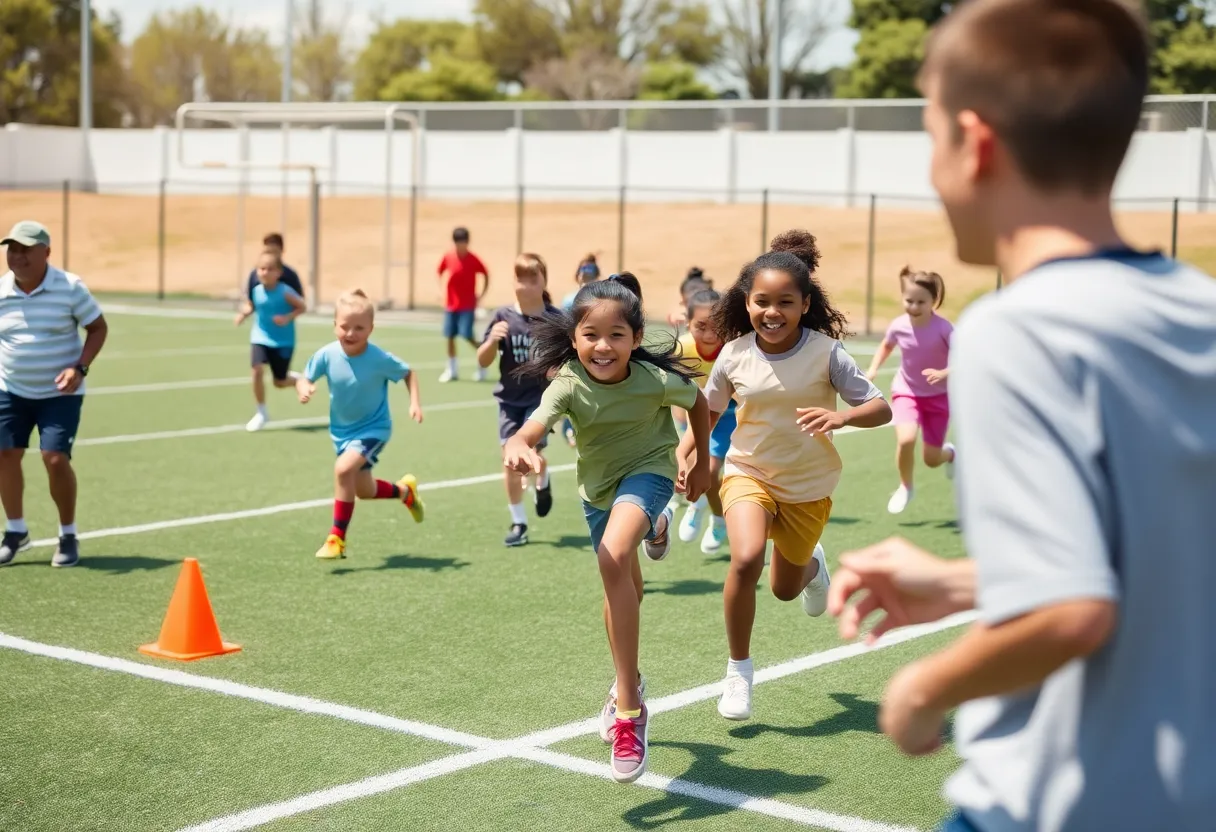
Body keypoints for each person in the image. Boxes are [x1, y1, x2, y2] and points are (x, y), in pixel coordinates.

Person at [826, 2, 1216, 831]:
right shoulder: (1199, 312)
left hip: (1057, 806)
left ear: (975, 143)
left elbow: (1071, 612)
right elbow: (1168, 558)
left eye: (930, 142)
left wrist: (918, 693)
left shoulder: (1017, 329)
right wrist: (970, 581)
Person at [504, 273, 711, 784]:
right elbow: (534, 425)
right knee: (625, 589)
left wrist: (702, 460)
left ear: (636, 340)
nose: (603, 345)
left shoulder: (653, 378)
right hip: (598, 493)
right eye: (591, 334)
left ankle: (629, 712)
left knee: (613, 555)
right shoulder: (569, 382)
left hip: (651, 471)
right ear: (574, 338)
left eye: (616, 335)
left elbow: (699, 404)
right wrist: (520, 445)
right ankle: (629, 678)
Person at [680, 230, 891, 722]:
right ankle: (738, 671)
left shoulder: (827, 353)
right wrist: (685, 454)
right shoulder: (734, 355)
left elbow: (880, 408)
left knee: (783, 589)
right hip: (747, 471)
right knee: (746, 557)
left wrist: (841, 417)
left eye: (784, 303)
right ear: (745, 303)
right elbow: (706, 411)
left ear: (804, 304)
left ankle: (812, 567)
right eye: (761, 302)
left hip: (808, 486)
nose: (771, 312)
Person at [0, 221, 108, 568]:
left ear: (46, 252)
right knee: (4, 455)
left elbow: (97, 327)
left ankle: (67, 534)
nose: (17, 256)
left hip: (60, 393)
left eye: (25, 249)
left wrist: (80, 367)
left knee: (55, 459)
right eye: (12, 249)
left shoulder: (70, 287)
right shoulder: (1, 291)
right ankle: (16, 532)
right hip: (10, 389)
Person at [296, 289, 425, 560]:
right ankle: (405, 492)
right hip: (342, 433)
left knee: (343, 471)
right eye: (344, 326)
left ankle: (336, 539)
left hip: (374, 429)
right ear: (334, 326)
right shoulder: (327, 355)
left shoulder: (378, 358)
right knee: (363, 490)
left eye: (359, 328)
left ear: (371, 329)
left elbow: (408, 373)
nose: (351, 333)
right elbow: (305, 377)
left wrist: (414, 403)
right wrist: (304, 387)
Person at [476, 253, 561, 547]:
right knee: (510, 461)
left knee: (528, 454)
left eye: (532, 278)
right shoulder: (502, 317)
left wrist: (557, 369)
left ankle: (541, 475)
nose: (525, 285)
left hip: (541, 401)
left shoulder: (554, 319)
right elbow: (483, 360)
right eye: (519, 278)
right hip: (509, 400)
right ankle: (519, 522)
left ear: (543, 282)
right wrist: (490, 342)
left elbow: (570, 361)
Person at [865, 266, 956, 514]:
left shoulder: (945, 329)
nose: (914, 307)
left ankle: (950, 455)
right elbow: (886, 346)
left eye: (920, 302)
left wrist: (944, 373)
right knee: (905, 440)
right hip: (906, 391)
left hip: (939, 398)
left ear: (933, 301)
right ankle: (906, 486)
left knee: (931, 459)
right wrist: (873, 368)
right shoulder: (898, 326)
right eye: (909, 301)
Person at [673, 288, 733, 553]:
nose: (710, 334)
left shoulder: (732, 348)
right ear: (687, 324)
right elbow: (673, 385)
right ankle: (697, 505)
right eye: (701, 326)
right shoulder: (681, 348)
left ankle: (717, 519)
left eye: (716, 326)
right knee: (688, 468)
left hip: (729, 415)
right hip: (695, 413)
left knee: (708, 470)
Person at [234, 249, 306, 432]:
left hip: (283, 341)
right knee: (257, 369)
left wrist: (287, 318)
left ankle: (297, 379)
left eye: (269, 269)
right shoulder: (256, 291)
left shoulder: (285, 292)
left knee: (279, 382)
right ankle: (261, 412)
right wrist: (243, 314)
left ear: (278, 273)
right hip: (260, 337)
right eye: (261, 269)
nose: (264, 273)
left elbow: (302, 306)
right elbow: (252, 305)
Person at [436, 226, 489, 383]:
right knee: (450, 336)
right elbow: (439, 271)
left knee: (467, 335)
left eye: (464, 241)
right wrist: (441, 292)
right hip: (451, 305)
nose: (461, 245)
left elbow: (485, 274)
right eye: (458, 242)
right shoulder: (448, 257)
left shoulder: (473, 259)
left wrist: (481, 294)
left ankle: (483, 362)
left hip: (467, 305)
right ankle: (451, 370)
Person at [246, 233, 304, 302]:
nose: (265, 273)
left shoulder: (290, 275)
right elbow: (250, 302)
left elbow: (300, 301)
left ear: (281, 251)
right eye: (268, 252)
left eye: (274, 252)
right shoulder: (255, 274)